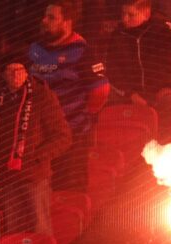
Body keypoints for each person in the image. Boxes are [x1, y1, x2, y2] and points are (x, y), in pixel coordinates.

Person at [28, 0, 109, 186]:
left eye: (52, 18)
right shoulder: (35, 49)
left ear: (67, 22)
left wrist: (80, 115)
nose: (44, 21)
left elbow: (100, 90)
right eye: (45, 16)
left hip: (71, 136)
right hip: (39, 137)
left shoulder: (83, 51)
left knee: (69, 193)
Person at [0, 58, 71, 236]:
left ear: (27, 72)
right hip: (7, 177)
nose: (16, 75)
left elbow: (63, 137)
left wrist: (36, 157)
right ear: (3, 74)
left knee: (40, 228)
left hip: (35, 177)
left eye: (20, 70)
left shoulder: (42, 96)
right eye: (11, 71)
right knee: (13, 231)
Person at [101, 0, 171, 104]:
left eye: (131, 15)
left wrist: (169, 86)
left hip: (162, 91)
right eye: (123, 14)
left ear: (146, 14)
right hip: (130, 94)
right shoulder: (117, 35)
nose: (125, 19)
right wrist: (129, 94)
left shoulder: (164, 31)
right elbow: (112, 69)